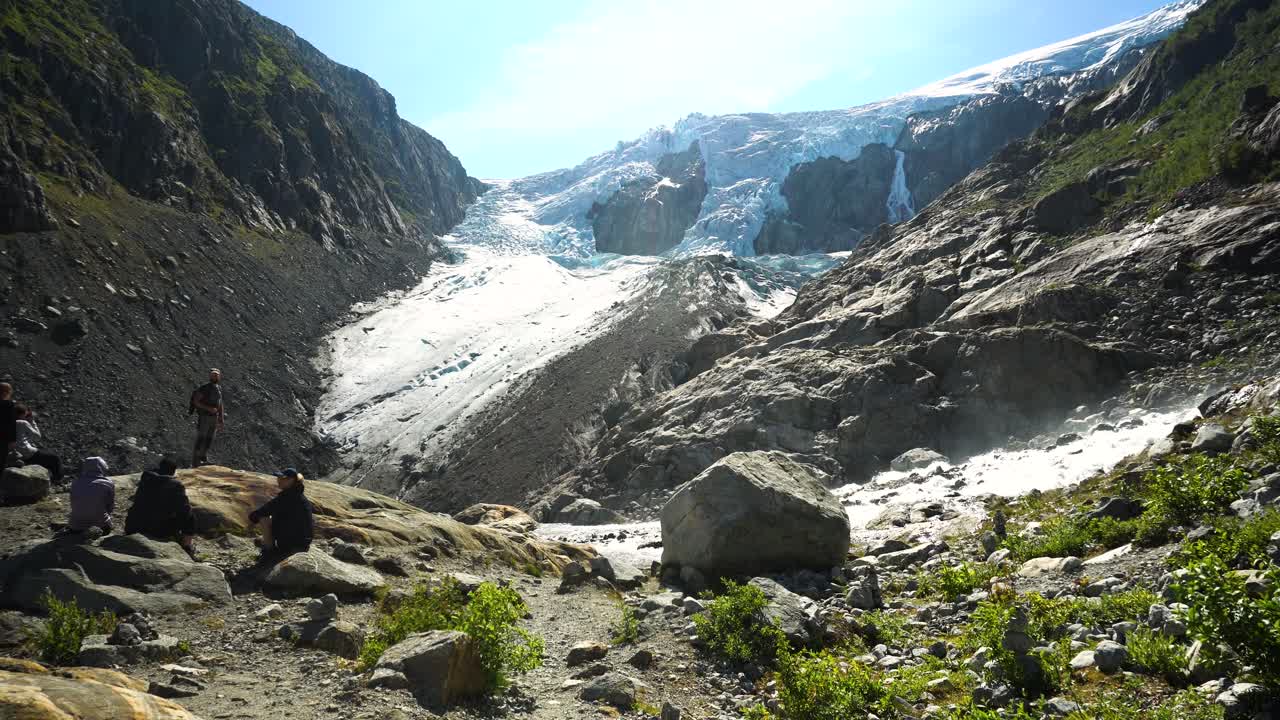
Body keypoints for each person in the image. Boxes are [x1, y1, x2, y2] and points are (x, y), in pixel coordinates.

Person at [125, 456, 196, 555]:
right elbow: (184, 512)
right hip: (157, 530)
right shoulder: (175, 485)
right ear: (173, 471)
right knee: (189, 515)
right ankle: (187, 546)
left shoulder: (146, 479)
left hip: (133, 525)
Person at [248, 468, 313, 559]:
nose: (278, 480)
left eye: (282, 478)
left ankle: (270, 552)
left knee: (263, 518)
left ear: (291, 480)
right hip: (303, 541)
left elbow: (262, 511)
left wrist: (251, 522)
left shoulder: (286, 497)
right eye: (278, 478)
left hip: (292, 544)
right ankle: (268, 543)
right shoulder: (298, 495)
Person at [13, 404, 62, 485]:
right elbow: (37, 437)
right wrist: (32, 421)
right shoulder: (22, 423)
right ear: (22, 414)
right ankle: (57, 481)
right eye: (25, 414)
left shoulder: (6, 422)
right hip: (27, 453)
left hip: (13, 453)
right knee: (55, 458)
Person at [68, 457, 115, 536]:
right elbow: (110, 506)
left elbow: (73, 503)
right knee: (106, 524)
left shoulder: (75, 482)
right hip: (100, 524)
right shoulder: (108, 483)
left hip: (76, 525)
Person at [190, 368, 225, 467]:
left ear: (219, 376)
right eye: (213, 375)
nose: (215, 376)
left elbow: (220, 403)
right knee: (201, 438)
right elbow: (196, 402)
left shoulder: (218, 388)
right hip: (205, 417)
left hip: (214, 418)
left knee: (209, 439)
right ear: (210, 376)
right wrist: (209, 408)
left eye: (217, 375)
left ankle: (203, 458)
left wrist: (221, 418)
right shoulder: (204, 388)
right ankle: (195, 462)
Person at [0, 383, 16, 464]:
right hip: (3, 438)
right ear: (5, 392)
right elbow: (11, 424)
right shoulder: (9, 404)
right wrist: (12, 440)